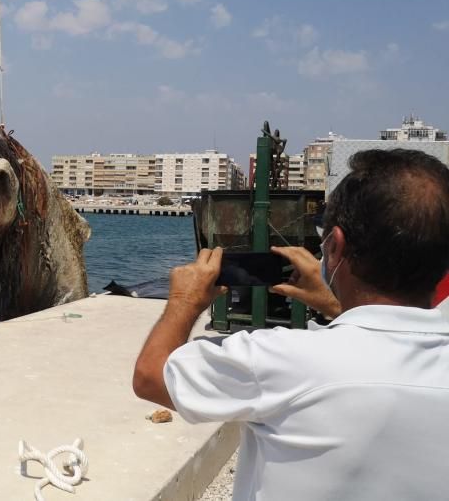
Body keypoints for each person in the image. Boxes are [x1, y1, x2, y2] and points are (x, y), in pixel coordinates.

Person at [133, 148, 449, 500]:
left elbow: (151, 376)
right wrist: (332, 304)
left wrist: (184, 301)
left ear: (335, 246)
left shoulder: (281, 359)